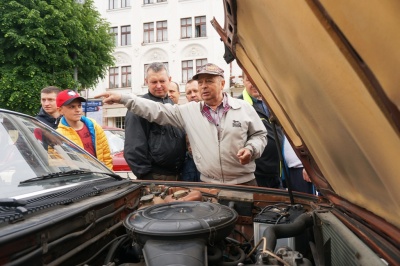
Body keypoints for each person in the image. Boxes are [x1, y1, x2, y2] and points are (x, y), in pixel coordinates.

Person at [95, 63, 267, 185]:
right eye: (200, 82)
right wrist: (123, 98)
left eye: (209, 81)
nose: (203, 86)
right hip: (210, 185)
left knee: (247, 234)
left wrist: (251, 149)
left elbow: (259, 135)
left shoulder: (243, 107)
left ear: (222, 83)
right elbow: (156, 110)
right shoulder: (189, 111)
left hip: (245, 182)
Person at [124, 63, 186, 181]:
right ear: (146, 81)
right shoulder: (138, 107)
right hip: (155, 177)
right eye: (154, 82)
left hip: (178, 174)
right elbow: (133, 148)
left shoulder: (172, 104)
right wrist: (147, 176)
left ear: (169, 80)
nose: (158, 86)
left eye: (162, 81)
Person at [238, 73, 284, 188]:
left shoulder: (274, 103)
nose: (253, 83)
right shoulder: (239, 106)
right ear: (243, 81)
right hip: (256, 175)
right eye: (249, 80)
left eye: (256, 79)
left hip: (278, 172)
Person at [56, 89, 113, 170]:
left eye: (79, 106)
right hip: (80, 180)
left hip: (102, 177)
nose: (78, 110)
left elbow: (106, 156)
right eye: (72, 107)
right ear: (60, 110)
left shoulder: (94, 127)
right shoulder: (57, 135)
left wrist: (109, 176)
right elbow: (58, 165)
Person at [181, 79, 202, 182]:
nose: (192, 95)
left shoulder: (213, 112)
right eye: (189, 93)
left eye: (195, 90)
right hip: (189, 165)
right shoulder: (182, 114)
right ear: (186, 97)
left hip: (208, 166)